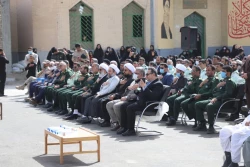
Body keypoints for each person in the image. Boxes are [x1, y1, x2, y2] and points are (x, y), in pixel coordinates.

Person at [117, 67, 163, 136]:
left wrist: (144, 87)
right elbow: (141, 92)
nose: (146, 76)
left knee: (130, 108)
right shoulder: (149, 82)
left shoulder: (158, 84)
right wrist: (136, 89)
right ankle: (124, 127)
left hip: (148, 104)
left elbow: (152, 96)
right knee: (123, 106)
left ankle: (131, 129)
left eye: (147, 74)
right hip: (141, 101)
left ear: (153, 74)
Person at [194, 66, 236, 134]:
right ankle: (202, 123)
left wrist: (217, 98)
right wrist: (217, 86)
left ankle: (211, 126)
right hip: (214, 99)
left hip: (222, 101)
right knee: (198, 104)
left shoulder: (229, 82)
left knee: (209, 106)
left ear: (228, 73)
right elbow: (213, 92)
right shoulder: (222, 81)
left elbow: (228, 94)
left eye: (223, 71)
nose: (222, 72)